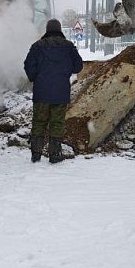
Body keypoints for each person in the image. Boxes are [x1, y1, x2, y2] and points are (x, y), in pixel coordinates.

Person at [24, 18, 83, 163]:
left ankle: (36, 154)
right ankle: (55, 154)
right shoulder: (69, 47)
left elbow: (28, 65)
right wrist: (64, 72)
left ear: (47, 30)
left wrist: (35, 78)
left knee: (39, 121)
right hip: (61, 92)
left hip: (41, 92)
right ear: (60, 30)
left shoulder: (37, 46)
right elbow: (78, 66)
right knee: (57, 123)